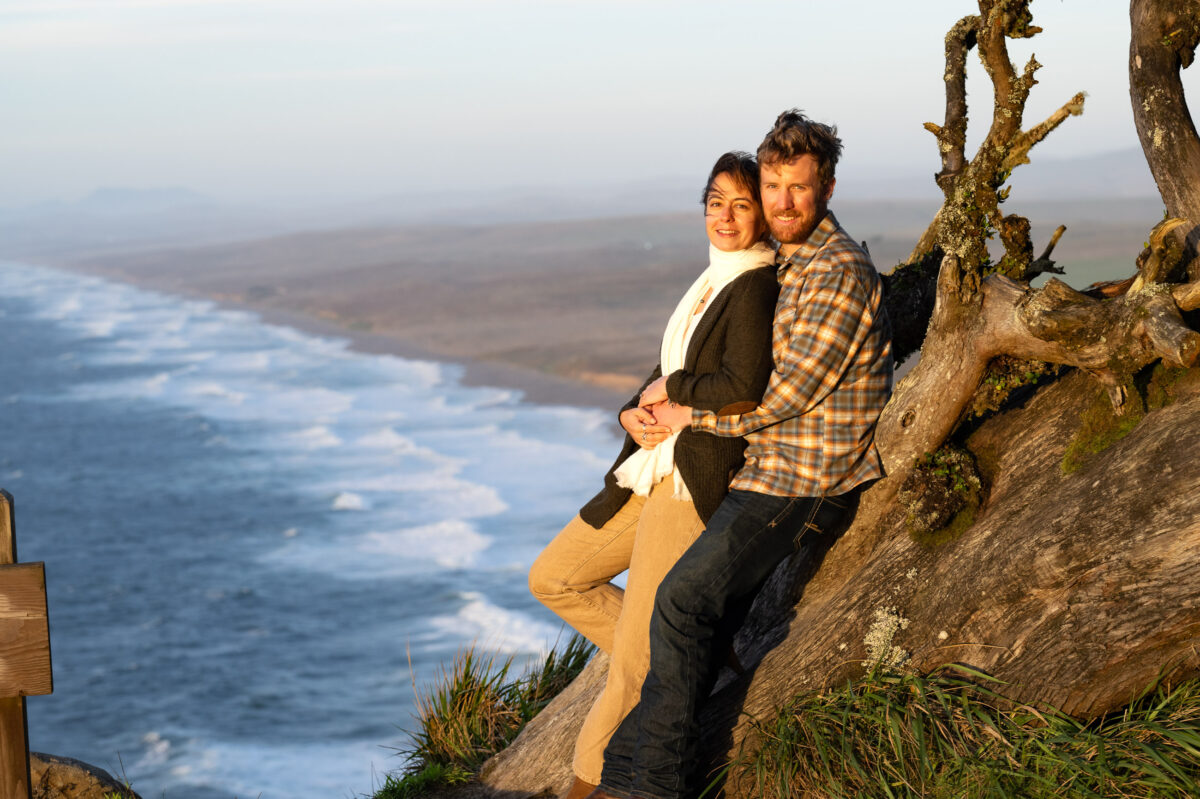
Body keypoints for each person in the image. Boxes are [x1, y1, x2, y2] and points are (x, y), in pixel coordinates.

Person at [587, 110, 894, 799]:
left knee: (680, 602)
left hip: (803, 477)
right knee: (692, 624)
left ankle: (653, 785)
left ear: (829, 187)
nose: (782, 203)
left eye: (799, 188)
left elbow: (781, 395)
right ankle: (619, 777)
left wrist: (686, 417)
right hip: (765, 465)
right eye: (774, 185)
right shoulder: (787, 260)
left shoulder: (838, 272)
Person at [528, 152, 781, 799]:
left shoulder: (755, 283)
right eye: (716, 201)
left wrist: (675, 392)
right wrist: (631, 408)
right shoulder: (711, 281)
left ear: (763, 214)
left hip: (692, 476)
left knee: (635, 663)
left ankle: (584, 785)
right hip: (650, 464)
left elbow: (741, 386)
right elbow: (666, 370)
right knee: (555, 577)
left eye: (741, 204)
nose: (725, 216)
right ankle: (684, 656)